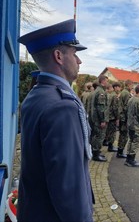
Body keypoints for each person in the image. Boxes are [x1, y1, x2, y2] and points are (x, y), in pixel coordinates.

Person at [17, 19, 94, 222]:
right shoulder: (62, 106)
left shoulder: (36, 94)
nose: (79, 61)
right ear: (59, 56)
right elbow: (68, 184)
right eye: (74, 53)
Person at [125, 85, 139, 167]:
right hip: (136, 125)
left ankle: (128, 159)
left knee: (131, 141)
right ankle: (131, 160)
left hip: (130, 124)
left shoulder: (131, 99)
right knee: (135, 142)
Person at [90, 75, 110, 161]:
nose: (107, 83)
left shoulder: (98, 90)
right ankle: (96, 154)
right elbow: (100, 108)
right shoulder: (101, 92)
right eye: (106, 81)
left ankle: (96, 152)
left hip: (95, 118)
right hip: (98, 119)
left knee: (96, 135)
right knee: (99, 136)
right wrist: (103, 120)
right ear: (102, 81)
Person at [117, 79, 133, 158]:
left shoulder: (123, 92)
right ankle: (120, 151)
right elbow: (127, 107)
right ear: (129, 85)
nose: (132, 87)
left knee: (122, 135)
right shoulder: (126, 93)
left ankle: (119, 151)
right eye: (132, 85)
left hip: (122, 116)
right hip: (124, 118)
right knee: (124, 135)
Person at [105, 82, 121, 152]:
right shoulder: (114, 96)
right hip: (112, 117)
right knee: (112, 132)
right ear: (115, 87)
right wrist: (117, 117)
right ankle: (110, 146)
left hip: (109, 116)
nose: (119, 89)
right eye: (119, 87)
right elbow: (115, 108)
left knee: (109, 132)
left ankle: (110, 145)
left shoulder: (111, 95)